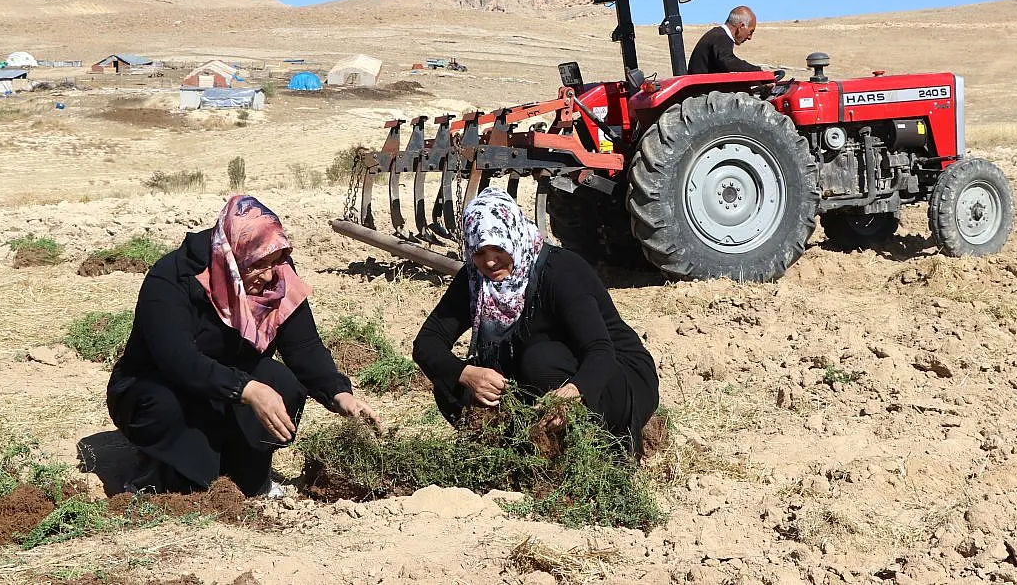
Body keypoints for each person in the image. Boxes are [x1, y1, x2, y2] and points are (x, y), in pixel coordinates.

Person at [107, 195, 382, 497]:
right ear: (230, 256)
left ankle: (246, 475)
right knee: (175, 436)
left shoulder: (277, 274)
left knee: (284, 387)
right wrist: (248, 389)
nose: (268, 275)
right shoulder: (173, 277)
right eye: (257, 265)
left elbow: (304, 347)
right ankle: (160, 473)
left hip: (229, 381)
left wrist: (339, 394)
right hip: (158, 382)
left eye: (274, 261)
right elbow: (177, 359)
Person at [412, 188, 659, 456]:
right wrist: (466, 374)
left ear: (514, 237)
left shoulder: (561, 271)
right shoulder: (475, 280)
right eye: (480, 252)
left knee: (540, 360)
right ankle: (513, 453)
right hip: (543, 377)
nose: (490, 261)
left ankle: (589, 449)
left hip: (614, 376)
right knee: (450, 381)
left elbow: (601, 350)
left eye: (498, 248)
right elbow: (427, 343)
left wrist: (575, 391)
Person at [686, 5, 766, 75]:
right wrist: (757, 71)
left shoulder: (715, 34)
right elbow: (728, 62)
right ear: (741, 26)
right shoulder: (721, 37)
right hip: (704, 89)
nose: (750, 37)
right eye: (750, 32)